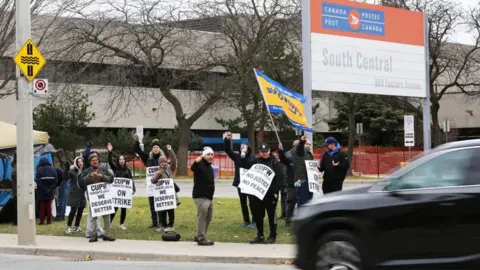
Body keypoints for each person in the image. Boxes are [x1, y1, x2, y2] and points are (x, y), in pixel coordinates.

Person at [240, 143, 283, 244]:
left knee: (271, 216)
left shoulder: (274, 162)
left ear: (269, 151)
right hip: (258, 194)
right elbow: (244, 164)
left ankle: (272, 236)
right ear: (259, 152)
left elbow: (280, 178)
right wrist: (244, 153)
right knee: (258, 215)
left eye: (266, 152)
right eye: (262, 152)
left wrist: (275, 191)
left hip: (271, 194)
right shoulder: (256, 161)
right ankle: (260, 235)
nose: (264, 154)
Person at [79, 153, 115, 242]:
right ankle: (94, 235)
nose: (95, 162)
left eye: (97, 160)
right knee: (94, 216)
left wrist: (102, 176)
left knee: (106, 215)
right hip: (93, 198)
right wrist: (89, 176)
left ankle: (107, 234)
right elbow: (81, 183)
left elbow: (111, 179)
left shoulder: (103, 169)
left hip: (104, 198)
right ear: (90, 162)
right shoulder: (86, 171)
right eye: (93, 160)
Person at [134, 135, 165, 228]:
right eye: (154, 147)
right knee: (152, 205)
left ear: (159, 149)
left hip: (160, 186)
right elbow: (138, 151)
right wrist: (137, 142)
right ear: (152, 149)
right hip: (151, 186)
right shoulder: (148, 158)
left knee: (160, 204)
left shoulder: (163, 159)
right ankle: (154, 222)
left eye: (157, 147)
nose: (155, 149)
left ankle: (162, 222)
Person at [224, 132, 255, 228]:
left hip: (249, 184)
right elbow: (228, 151)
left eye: (245, 147)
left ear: (248, 149)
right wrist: (227, 140)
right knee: (243, 203)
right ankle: (246, 220)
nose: (243, 149)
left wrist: (245, 156)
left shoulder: (252, 159)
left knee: (252, 203)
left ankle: (254, 221)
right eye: (241, 147)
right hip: (240, 184)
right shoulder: (237, 157)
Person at [150, 145, 180, 232]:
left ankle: (171, 225)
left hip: (170, 195)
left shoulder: (170, 169)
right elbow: (153, 181)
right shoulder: (157, 171)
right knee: (161, 211)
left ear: (167, 162)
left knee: (170, 210)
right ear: (159, 163)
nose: (163, 163)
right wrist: (158, 174)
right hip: (162, 196)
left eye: (164, 162)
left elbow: (174, 160)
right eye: (161, 162)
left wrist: (170, 151)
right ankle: (163, 225)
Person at [107, 143, 136, 230]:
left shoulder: (128, 170)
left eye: (123, 159)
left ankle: (121, 224)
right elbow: (109, 161)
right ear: (118, 161)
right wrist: (110, 152)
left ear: (125, 161)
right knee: (114, 209)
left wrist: (133, 189)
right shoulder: (115, 168)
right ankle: (110, 222)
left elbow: (131, 180)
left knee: (124, 209)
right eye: (120, 159)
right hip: (116, 193)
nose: (122, 160)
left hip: (125, 193)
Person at [191, 147, 215, 246]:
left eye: (211, 154)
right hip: (201, 196)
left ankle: (199, 235)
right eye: (208, 154)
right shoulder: (200, 164)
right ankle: (201, 238)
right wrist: (196, 162)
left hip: (209, 197)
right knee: (202, 217)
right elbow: (193, 168)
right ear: (203, 155)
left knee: (208, 217)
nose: (210, 156)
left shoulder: (209, 166)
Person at [278, 140, 299, 227]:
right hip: (292, 184)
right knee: (291, 203)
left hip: (303, 184)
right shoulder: (289, 157)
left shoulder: (306, 156)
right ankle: (288, 221)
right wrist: (280, 150)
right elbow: (283, 159)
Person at [292, 136, 314, 208]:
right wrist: (302, 141)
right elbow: (299, 147)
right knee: (302, 203)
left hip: (309, 181)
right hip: (302, 180)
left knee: (309, 202)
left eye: (309, 144)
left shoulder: (309, 154)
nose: (308, 145)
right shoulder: (299, 151)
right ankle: (301, 218)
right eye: (306, 144)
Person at [66, 157, 86, 234]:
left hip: (81, 193)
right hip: (74, 193)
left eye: (81, 161)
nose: (80, 163)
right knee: (73, 211)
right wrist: (67, 168)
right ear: (76, 163)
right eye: (78, 162)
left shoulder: (84, 171)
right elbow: (66, 177)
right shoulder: (72, 171)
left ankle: (77, 226)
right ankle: (68, 227)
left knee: (80, 210)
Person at [35, 157, 58, 225]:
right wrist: (50, 188)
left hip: (41, 190)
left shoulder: (38, 169)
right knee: (48, 205)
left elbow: (37, 180)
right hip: (50, 191)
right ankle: (49, 220)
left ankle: (42, 220)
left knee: (42, 206)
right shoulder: (53, 169)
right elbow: (56, 180)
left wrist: (43, 188)